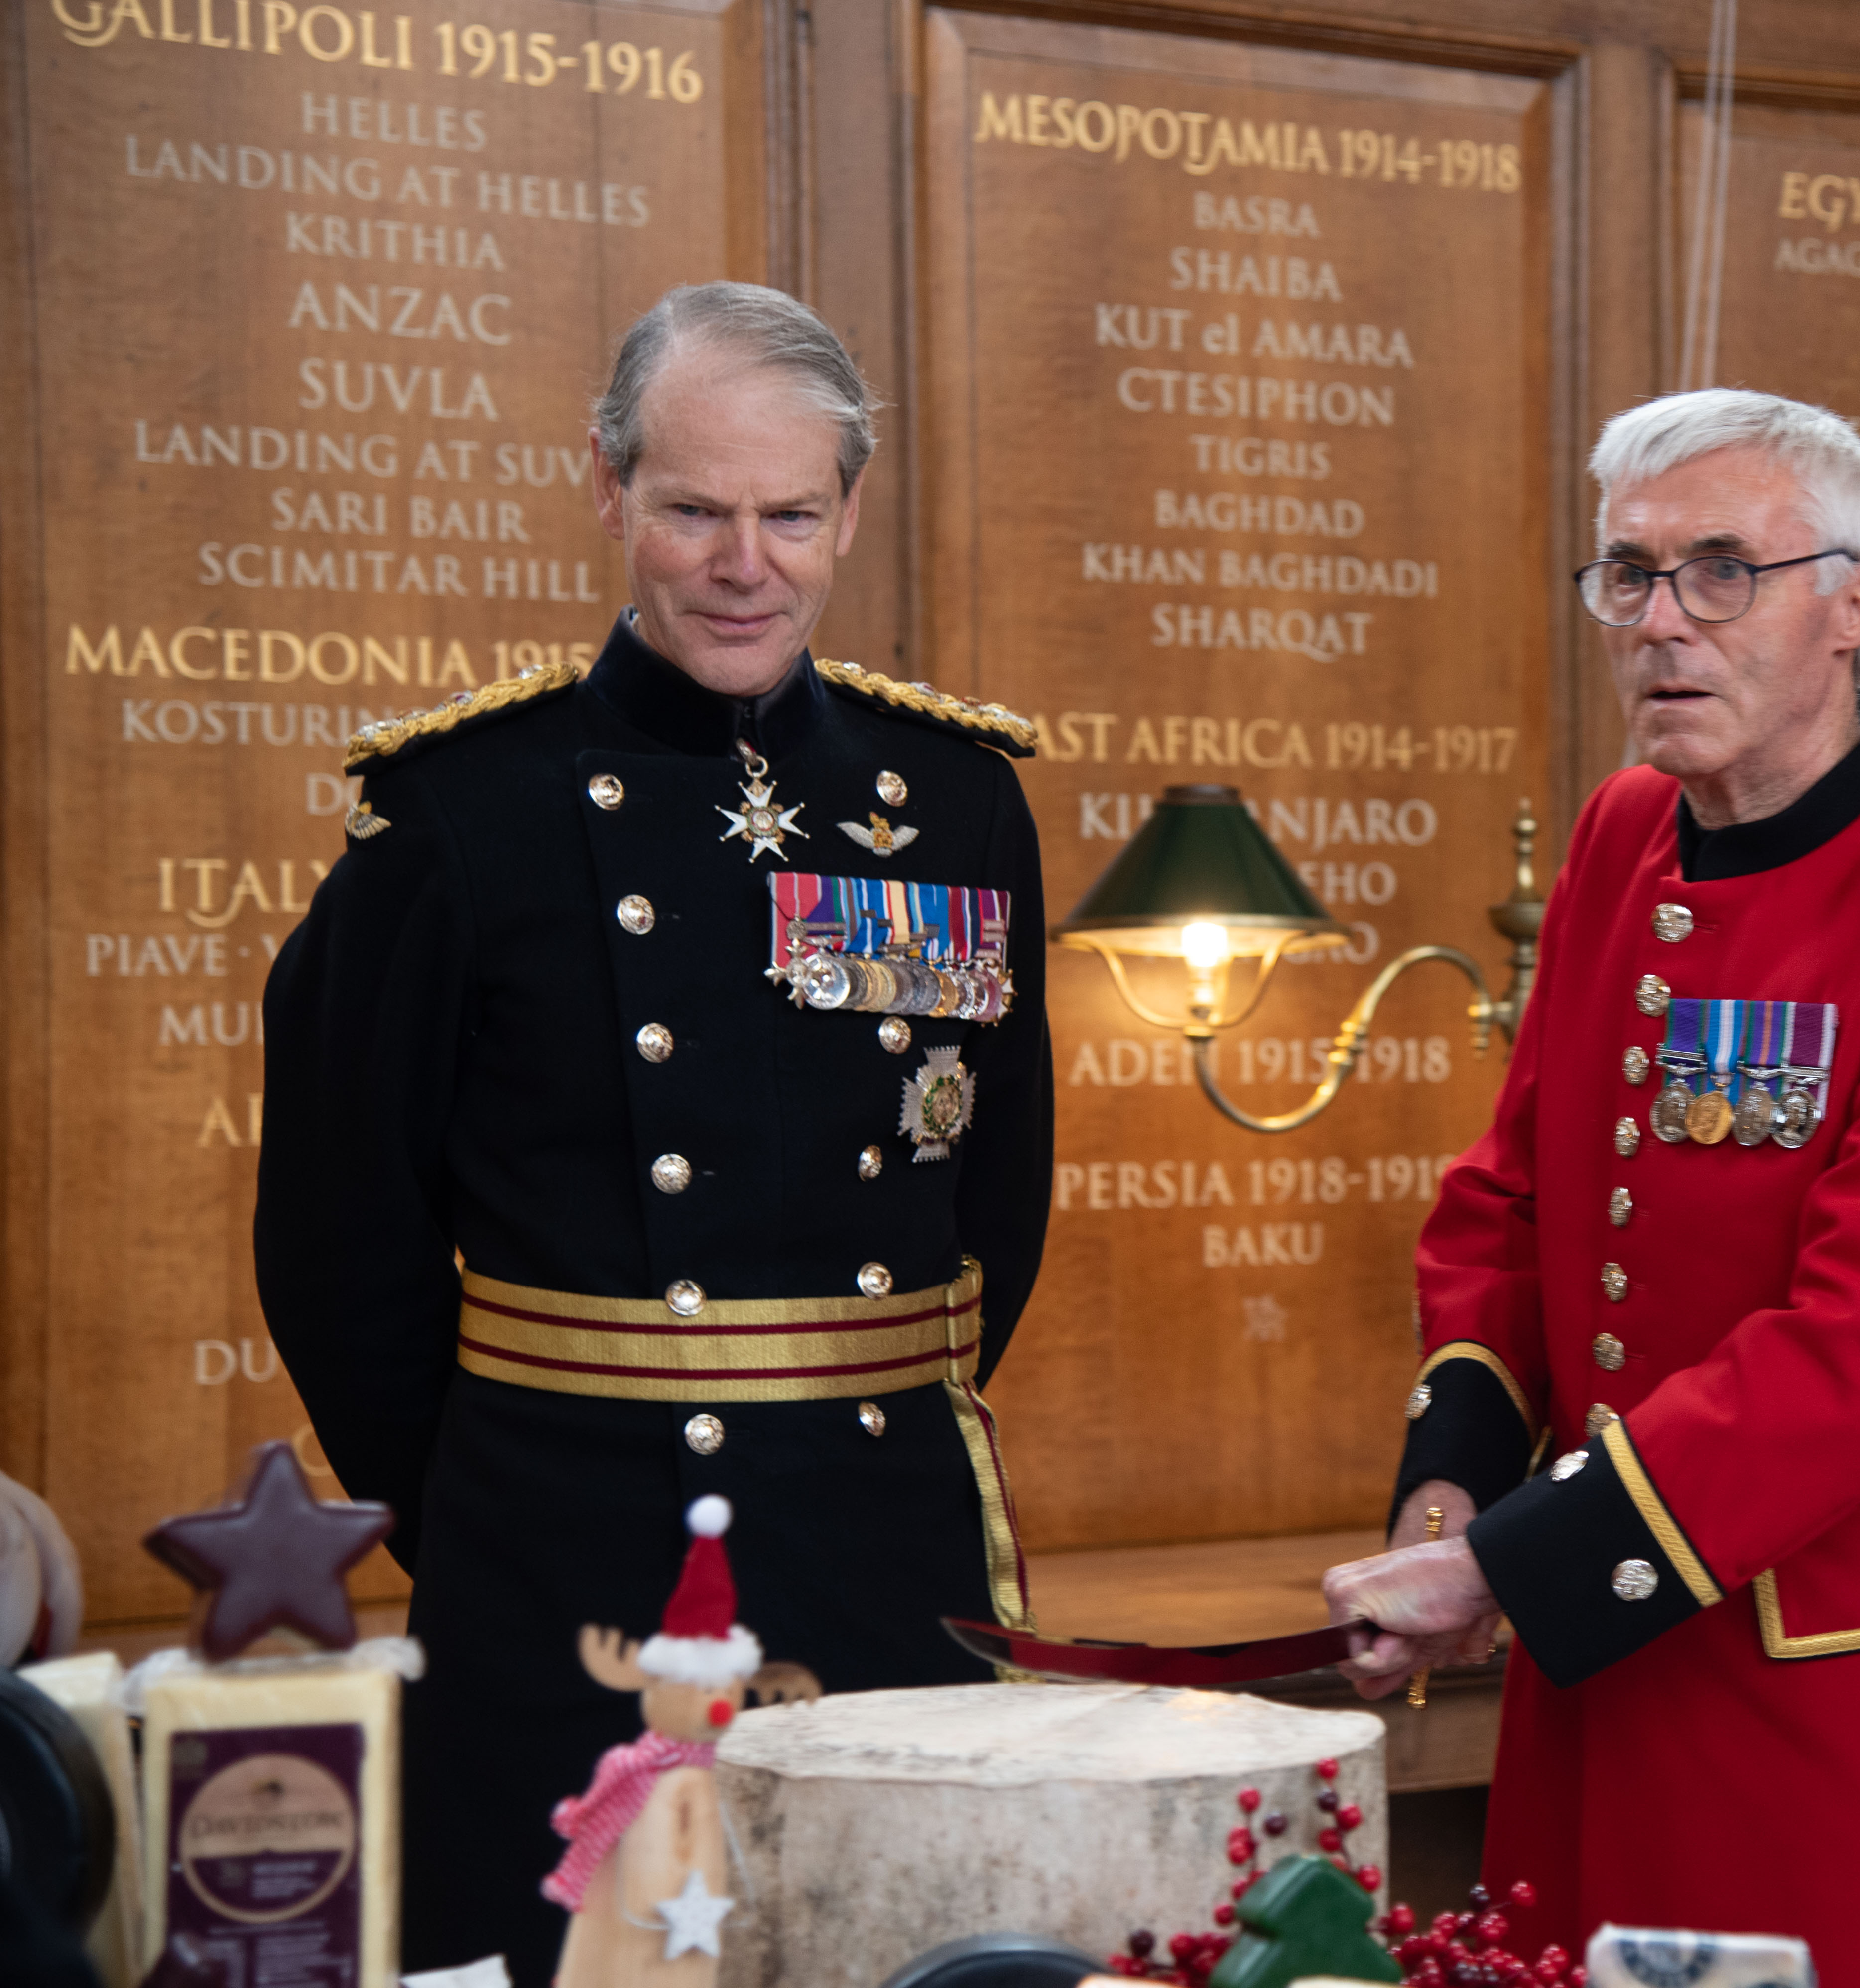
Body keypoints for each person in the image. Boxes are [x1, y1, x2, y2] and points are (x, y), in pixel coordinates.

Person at [256, 281, 1052, 1982]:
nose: (741, 561)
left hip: (885, 1539)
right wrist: (478, 1504)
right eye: (694, 508)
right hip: (569, 1560)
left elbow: (1001, 1190)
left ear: (849, 512)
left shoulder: (960, 798)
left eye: (787, 513)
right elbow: (341, 1241)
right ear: (611, 489)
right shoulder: (460, 809)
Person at [1321, 389, 1860, 1982]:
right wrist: (1452, 1490)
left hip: (1831, 1691)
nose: (1665, 622)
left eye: (1724, 570)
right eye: (1632, 574)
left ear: (1852, 596)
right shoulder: (1625, 836)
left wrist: (1506, 1561)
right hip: (1595, 1652)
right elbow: (1512, 1204)